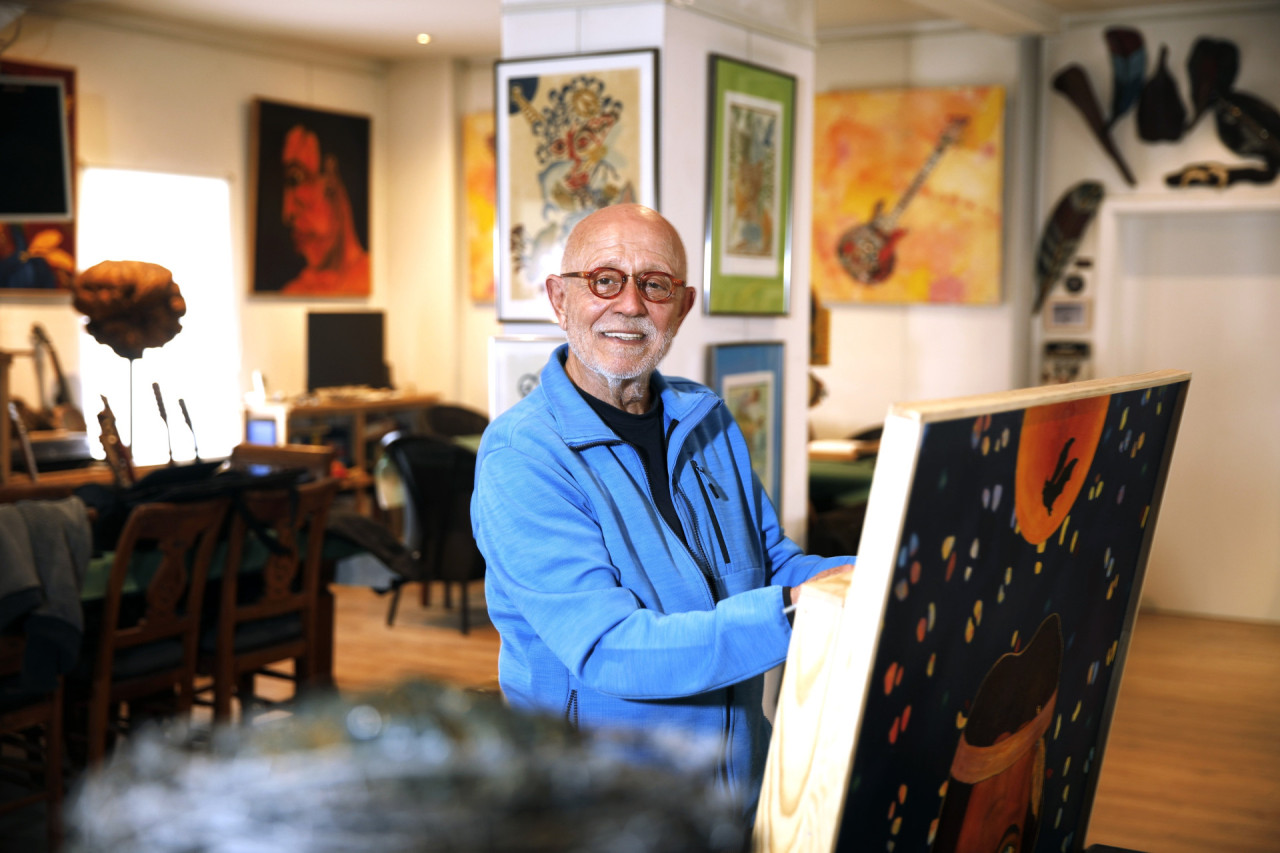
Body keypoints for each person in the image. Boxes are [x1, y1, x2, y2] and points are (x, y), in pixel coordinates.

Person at [471, 203, 855, 819]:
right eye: (604, 280)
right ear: (559, 298)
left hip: (738, 788)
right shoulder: (523, 456)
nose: (629, 304)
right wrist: (796, 611)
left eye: (654, 285)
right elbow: (609, 649)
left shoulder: (708, 419)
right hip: (607, 812)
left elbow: (770, 563)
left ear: (682, 307)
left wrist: (878, 571)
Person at [279, 124, 370, 296]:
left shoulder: (375, 277)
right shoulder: (295, 291)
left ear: (332, 177)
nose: (288, 213)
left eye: (296, 178)